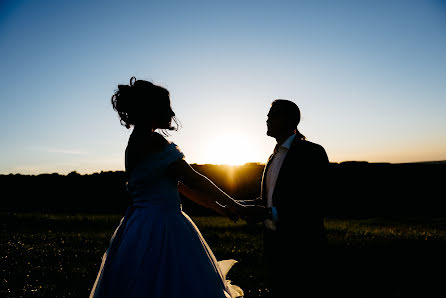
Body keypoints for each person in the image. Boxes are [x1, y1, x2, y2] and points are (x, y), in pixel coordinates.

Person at [90, 77, 244, 298]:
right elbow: (194, 180)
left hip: (137, 226)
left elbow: (179, 186)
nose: (172, 113)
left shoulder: (134, 142)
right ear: (152, 109)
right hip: (163, 226)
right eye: (166, 107)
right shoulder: (154, 142)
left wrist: (219, 207)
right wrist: (237, 204)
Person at [241, 99, 329, 297]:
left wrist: (267, 212)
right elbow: (270, 199)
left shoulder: (312, 153)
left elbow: (318, 203)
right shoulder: (272, 156)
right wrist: (241, 205)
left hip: (303, 249)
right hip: (274, 245)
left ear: (288, 120)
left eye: (272, 115)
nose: (267, 119)